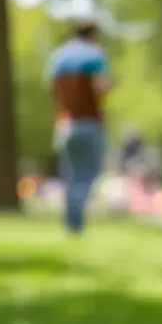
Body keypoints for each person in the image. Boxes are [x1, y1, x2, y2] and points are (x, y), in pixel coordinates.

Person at [46, 20, 111, 235]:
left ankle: (72, 222)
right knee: (90, 173)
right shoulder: (95, 55)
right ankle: (76, 218)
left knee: (70, 174)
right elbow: (100, 86)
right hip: (89, 122)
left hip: (65, 124)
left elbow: (52, 88)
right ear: (92, 34)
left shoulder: (58, 56)